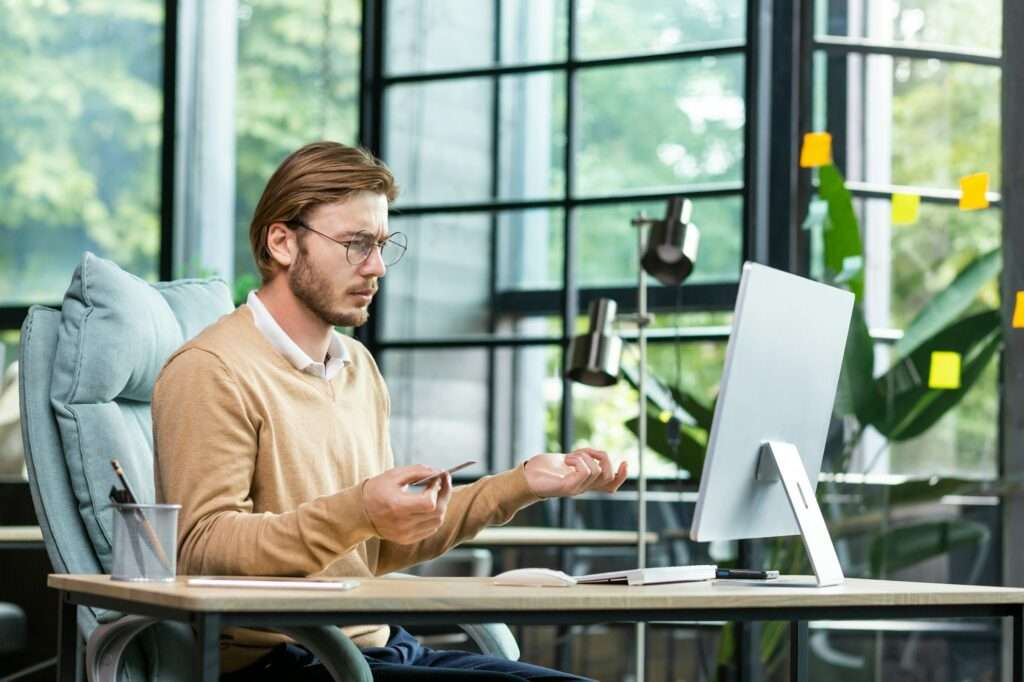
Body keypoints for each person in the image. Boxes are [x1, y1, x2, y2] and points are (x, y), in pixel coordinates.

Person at [152, 141, 628, 681]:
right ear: (283, 242)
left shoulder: (356, 365)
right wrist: (359, 509)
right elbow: (202, 550)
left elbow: (376, 546)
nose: (377, 267)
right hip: (280, 661)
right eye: (356, 244)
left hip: (376, 647)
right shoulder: (211, 369)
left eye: (381, 244)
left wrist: (520, 485)